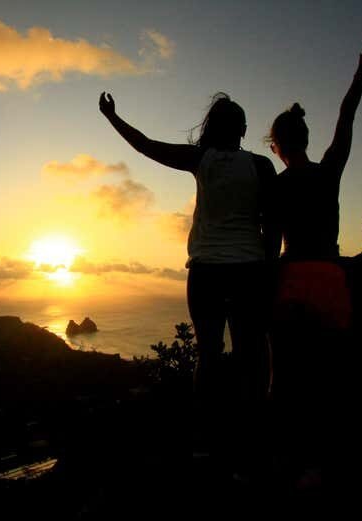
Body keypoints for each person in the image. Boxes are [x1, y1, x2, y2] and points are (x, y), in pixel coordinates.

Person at [99, 91, 279, 474]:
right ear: (244, 129)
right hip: (249, 270)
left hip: (206, 272)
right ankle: (251, 439)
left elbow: (146, 146)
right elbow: (273, 224)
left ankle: (207, 441)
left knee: (209, 355)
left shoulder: (201, 159)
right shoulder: (261, 165)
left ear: (212, 127)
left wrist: (112, 117)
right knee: (249, 356)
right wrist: (268, 268)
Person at [267, 45, 362, 486]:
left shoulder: (277, 186)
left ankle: (284, 460)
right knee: (328, 379)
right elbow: (346, 118)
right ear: (307, 139)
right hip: (331, 279)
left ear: (276, 146)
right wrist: (360, 73)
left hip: (291, 279)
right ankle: (319, 465)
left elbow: (269, 244)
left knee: (285, 379)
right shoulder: (329, 171)